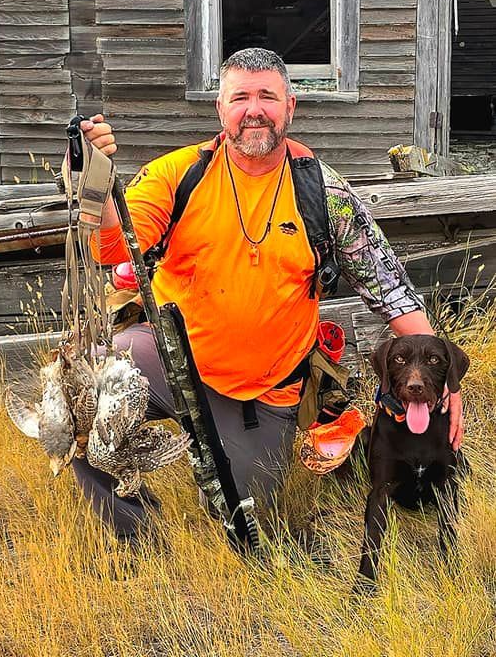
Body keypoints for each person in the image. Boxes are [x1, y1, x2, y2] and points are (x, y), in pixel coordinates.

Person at [74, 48, 464, 541]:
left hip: (264, 389)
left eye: (267, 97)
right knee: (79, 397)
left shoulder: (322, 192)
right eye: (240, 97)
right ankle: (136, 534)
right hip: (171, 358)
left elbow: (390, 289)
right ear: (220, 108)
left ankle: (226, 462)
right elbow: (113, 245)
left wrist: (448, 384)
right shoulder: (177, 176)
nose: (254, 110)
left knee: (247, 520)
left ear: (290, 106)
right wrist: (94, 178)